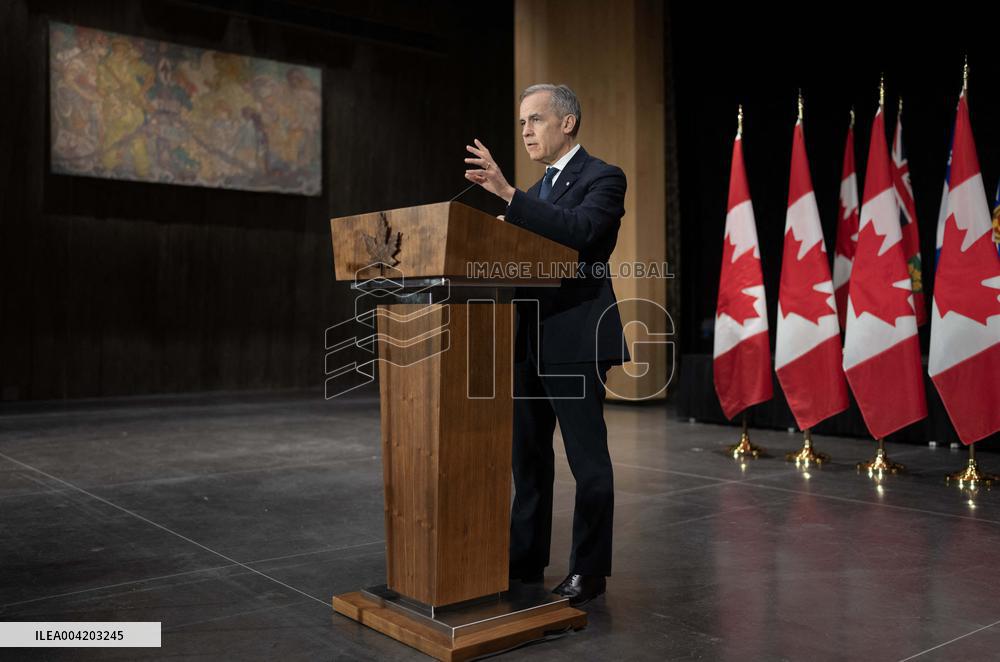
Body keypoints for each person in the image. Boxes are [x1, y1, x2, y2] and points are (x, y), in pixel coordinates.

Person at [463, 83, 628, 606]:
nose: (526, 131)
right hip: (529, 337)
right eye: (522, 123)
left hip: (577, 336)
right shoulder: (535, 193)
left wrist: (510, 198)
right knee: (528, 459)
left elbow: (580, 231)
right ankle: (526, 557)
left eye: (534, 120)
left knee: (588, 461)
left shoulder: (603, 177)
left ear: (567, 123)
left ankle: (590, 569)